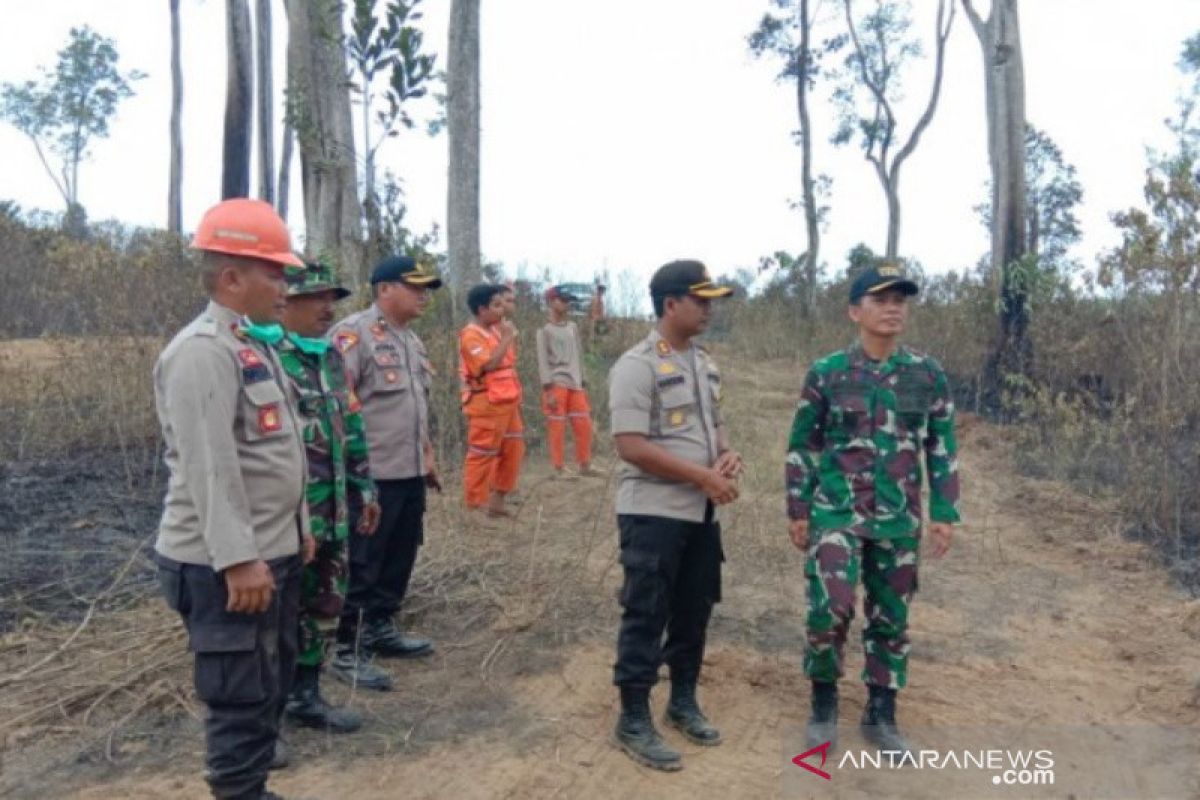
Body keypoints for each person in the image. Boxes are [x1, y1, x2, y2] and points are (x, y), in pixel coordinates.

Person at [153, 198, 311, 800]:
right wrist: (239, 558)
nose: (284, 284)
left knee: (270, 685)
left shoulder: (248, 342)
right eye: (275, 272)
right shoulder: (201, 351)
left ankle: (252, 789)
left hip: (271, 552)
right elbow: (209, 467)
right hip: (223, 563)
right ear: (231, 277)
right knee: (240, 699)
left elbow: (272, 451)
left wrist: (296, 529)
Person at [785, 263, 960, 754]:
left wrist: (945, 513)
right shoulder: (828, 373)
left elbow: (941, 447)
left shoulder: (926, 375)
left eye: (900, 299)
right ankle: (823, 706)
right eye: (881, 299)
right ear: (854, 310)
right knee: (829, 608)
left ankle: (881, 714)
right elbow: (803, 446)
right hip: (836, 513)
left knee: (891, 618)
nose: (892, 307)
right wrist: (798, 509)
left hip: (899, 518)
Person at [607, 260, 742, 772]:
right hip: (653, 513)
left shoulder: (704, 363)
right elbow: (631, 447)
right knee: (646, 610)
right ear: (670, 304)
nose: (708, 309)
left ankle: (682, 701)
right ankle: (633, 717)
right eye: (700, 299)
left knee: (694, 608)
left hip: (700, 513)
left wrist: (726, 458)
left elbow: (715, 426)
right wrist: (701, 477)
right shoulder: (636, 366)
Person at [328, 255, 444, 690]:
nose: (423, 296)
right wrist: (349, 474)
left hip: (409, 470)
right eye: (414, 287)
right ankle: (345, 646)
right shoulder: (352, 334)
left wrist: (427, 456)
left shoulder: (411, 341)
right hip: (371, 475)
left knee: (400, 555)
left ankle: (380, 626)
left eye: (426, 288)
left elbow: (416, 407)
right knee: (363, 561)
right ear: (384, 289)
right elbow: (338, 408)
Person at [277, 259, 382, 732]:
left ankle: (306, 696)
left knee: (324, 607)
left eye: (332, 299)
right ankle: (264, 719)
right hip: (288, 519)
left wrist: (366, 488)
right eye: (316, 298)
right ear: (285, 300)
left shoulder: (330, 357)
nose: (327, 307)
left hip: (335, 511)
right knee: (276, 618)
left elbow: (352, 427)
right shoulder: (263, 358)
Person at [459, 284, 522, 517]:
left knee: (513, 449)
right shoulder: (470, 335)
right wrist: (507, 338)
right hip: (487, 404)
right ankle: (475, 506)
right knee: (482, 454)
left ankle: (498, 500)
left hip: (509, 400)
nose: (501, 310)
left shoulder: (496, 330)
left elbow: (508, 362)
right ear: (481, 309)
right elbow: (486, 365)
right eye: (496, 305)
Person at [536, 285, 599, 478]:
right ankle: (558, 468)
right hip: (556, 383)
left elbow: (579, 353)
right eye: (562, 300)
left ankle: (585, 464)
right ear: (551, 301)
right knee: (557, 426)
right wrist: (548, 390)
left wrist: (584, 378)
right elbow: (543, 360)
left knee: (584, 424)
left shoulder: (572, 327)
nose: (566, 304)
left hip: (576, 383)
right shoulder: (544, 330)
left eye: (567, 301)